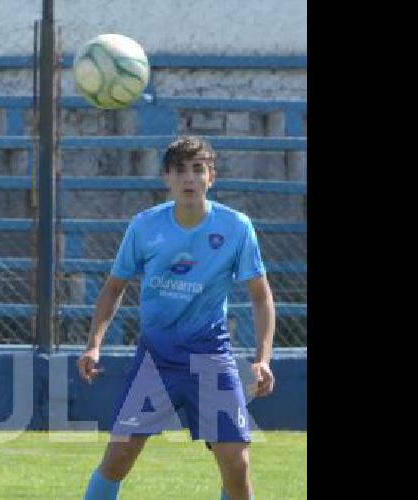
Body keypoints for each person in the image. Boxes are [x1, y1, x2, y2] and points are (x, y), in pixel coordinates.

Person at [76, 136, 277, 500]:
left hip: (211, 357)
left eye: (198, 169)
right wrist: (93, 346)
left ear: (211, 177)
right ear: (166, 177)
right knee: (119, 455)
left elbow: (261, 296)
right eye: (180, 170)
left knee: (236, 463)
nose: (189, 178)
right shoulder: (144, 226)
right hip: (157, 359)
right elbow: (113, 288)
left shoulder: (236, 227)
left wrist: (263, 359)